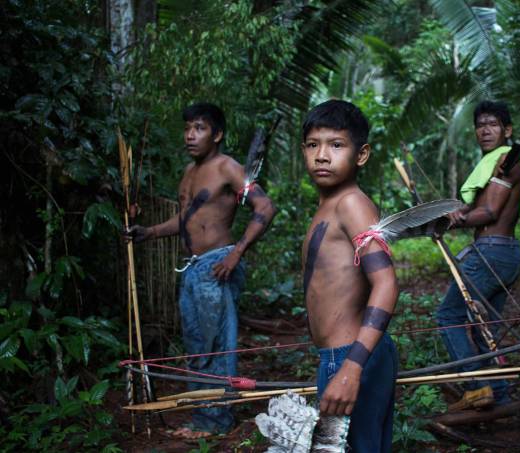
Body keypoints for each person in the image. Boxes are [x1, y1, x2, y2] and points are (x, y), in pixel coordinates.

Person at [125, 102, 276, 439]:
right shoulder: (189, 172)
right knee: (197, 346)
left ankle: (217, 423)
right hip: (194, 269)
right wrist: (148, 232)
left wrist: (236, 254)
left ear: (217, 134)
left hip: (217, 264)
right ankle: (202, 419)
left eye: (200, 128)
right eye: (188, 128)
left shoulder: (228, 168)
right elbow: (186, 220)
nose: (190, 135)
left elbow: (265, 206)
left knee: (215, 346)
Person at [301, 100, 399, 452]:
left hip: (351, 356)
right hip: (342, 356)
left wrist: (351, 369)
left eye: (336, 145)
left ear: (362, 154)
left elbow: (386, 282)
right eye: (313, 145)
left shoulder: (351, 204)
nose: (322, 155)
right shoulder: (330, 203)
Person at [436, 100, 520, 410]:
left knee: (448, 316)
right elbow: (483, 204)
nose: (485, 130)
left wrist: (458, 220)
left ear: (508, 130)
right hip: (506, 254)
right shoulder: (503, 162)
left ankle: (476, 385)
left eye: (492, 124)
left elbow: (491, 211)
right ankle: (501, 399)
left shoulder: (506, 160)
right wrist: (455, 213)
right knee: (485, 331)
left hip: (491, 253)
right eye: (480, 125)